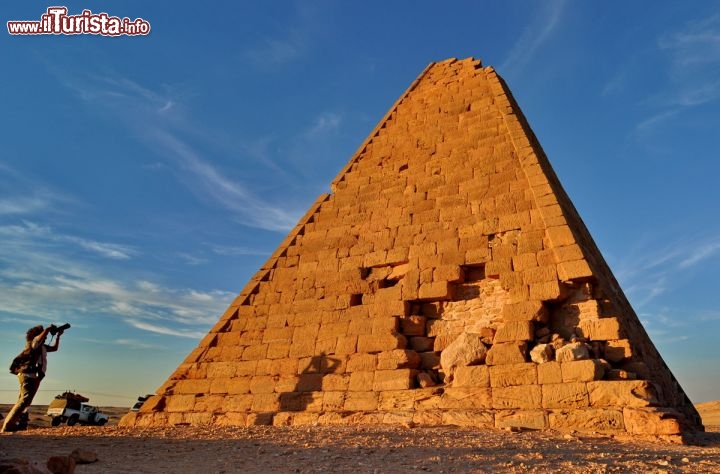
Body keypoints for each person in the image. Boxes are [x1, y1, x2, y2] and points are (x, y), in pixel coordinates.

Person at [1, 324, 62, 432]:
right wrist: (48, 329)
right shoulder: (34, 342)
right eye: (43, 334)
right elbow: (39, 338)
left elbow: (54, 348)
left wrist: (58, 336)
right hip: (29, 375)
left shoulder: (41, 346)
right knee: (24, 401)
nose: (46, 336)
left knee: (23, 401)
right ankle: (8, 425)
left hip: (33, 376)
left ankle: (9, 423)